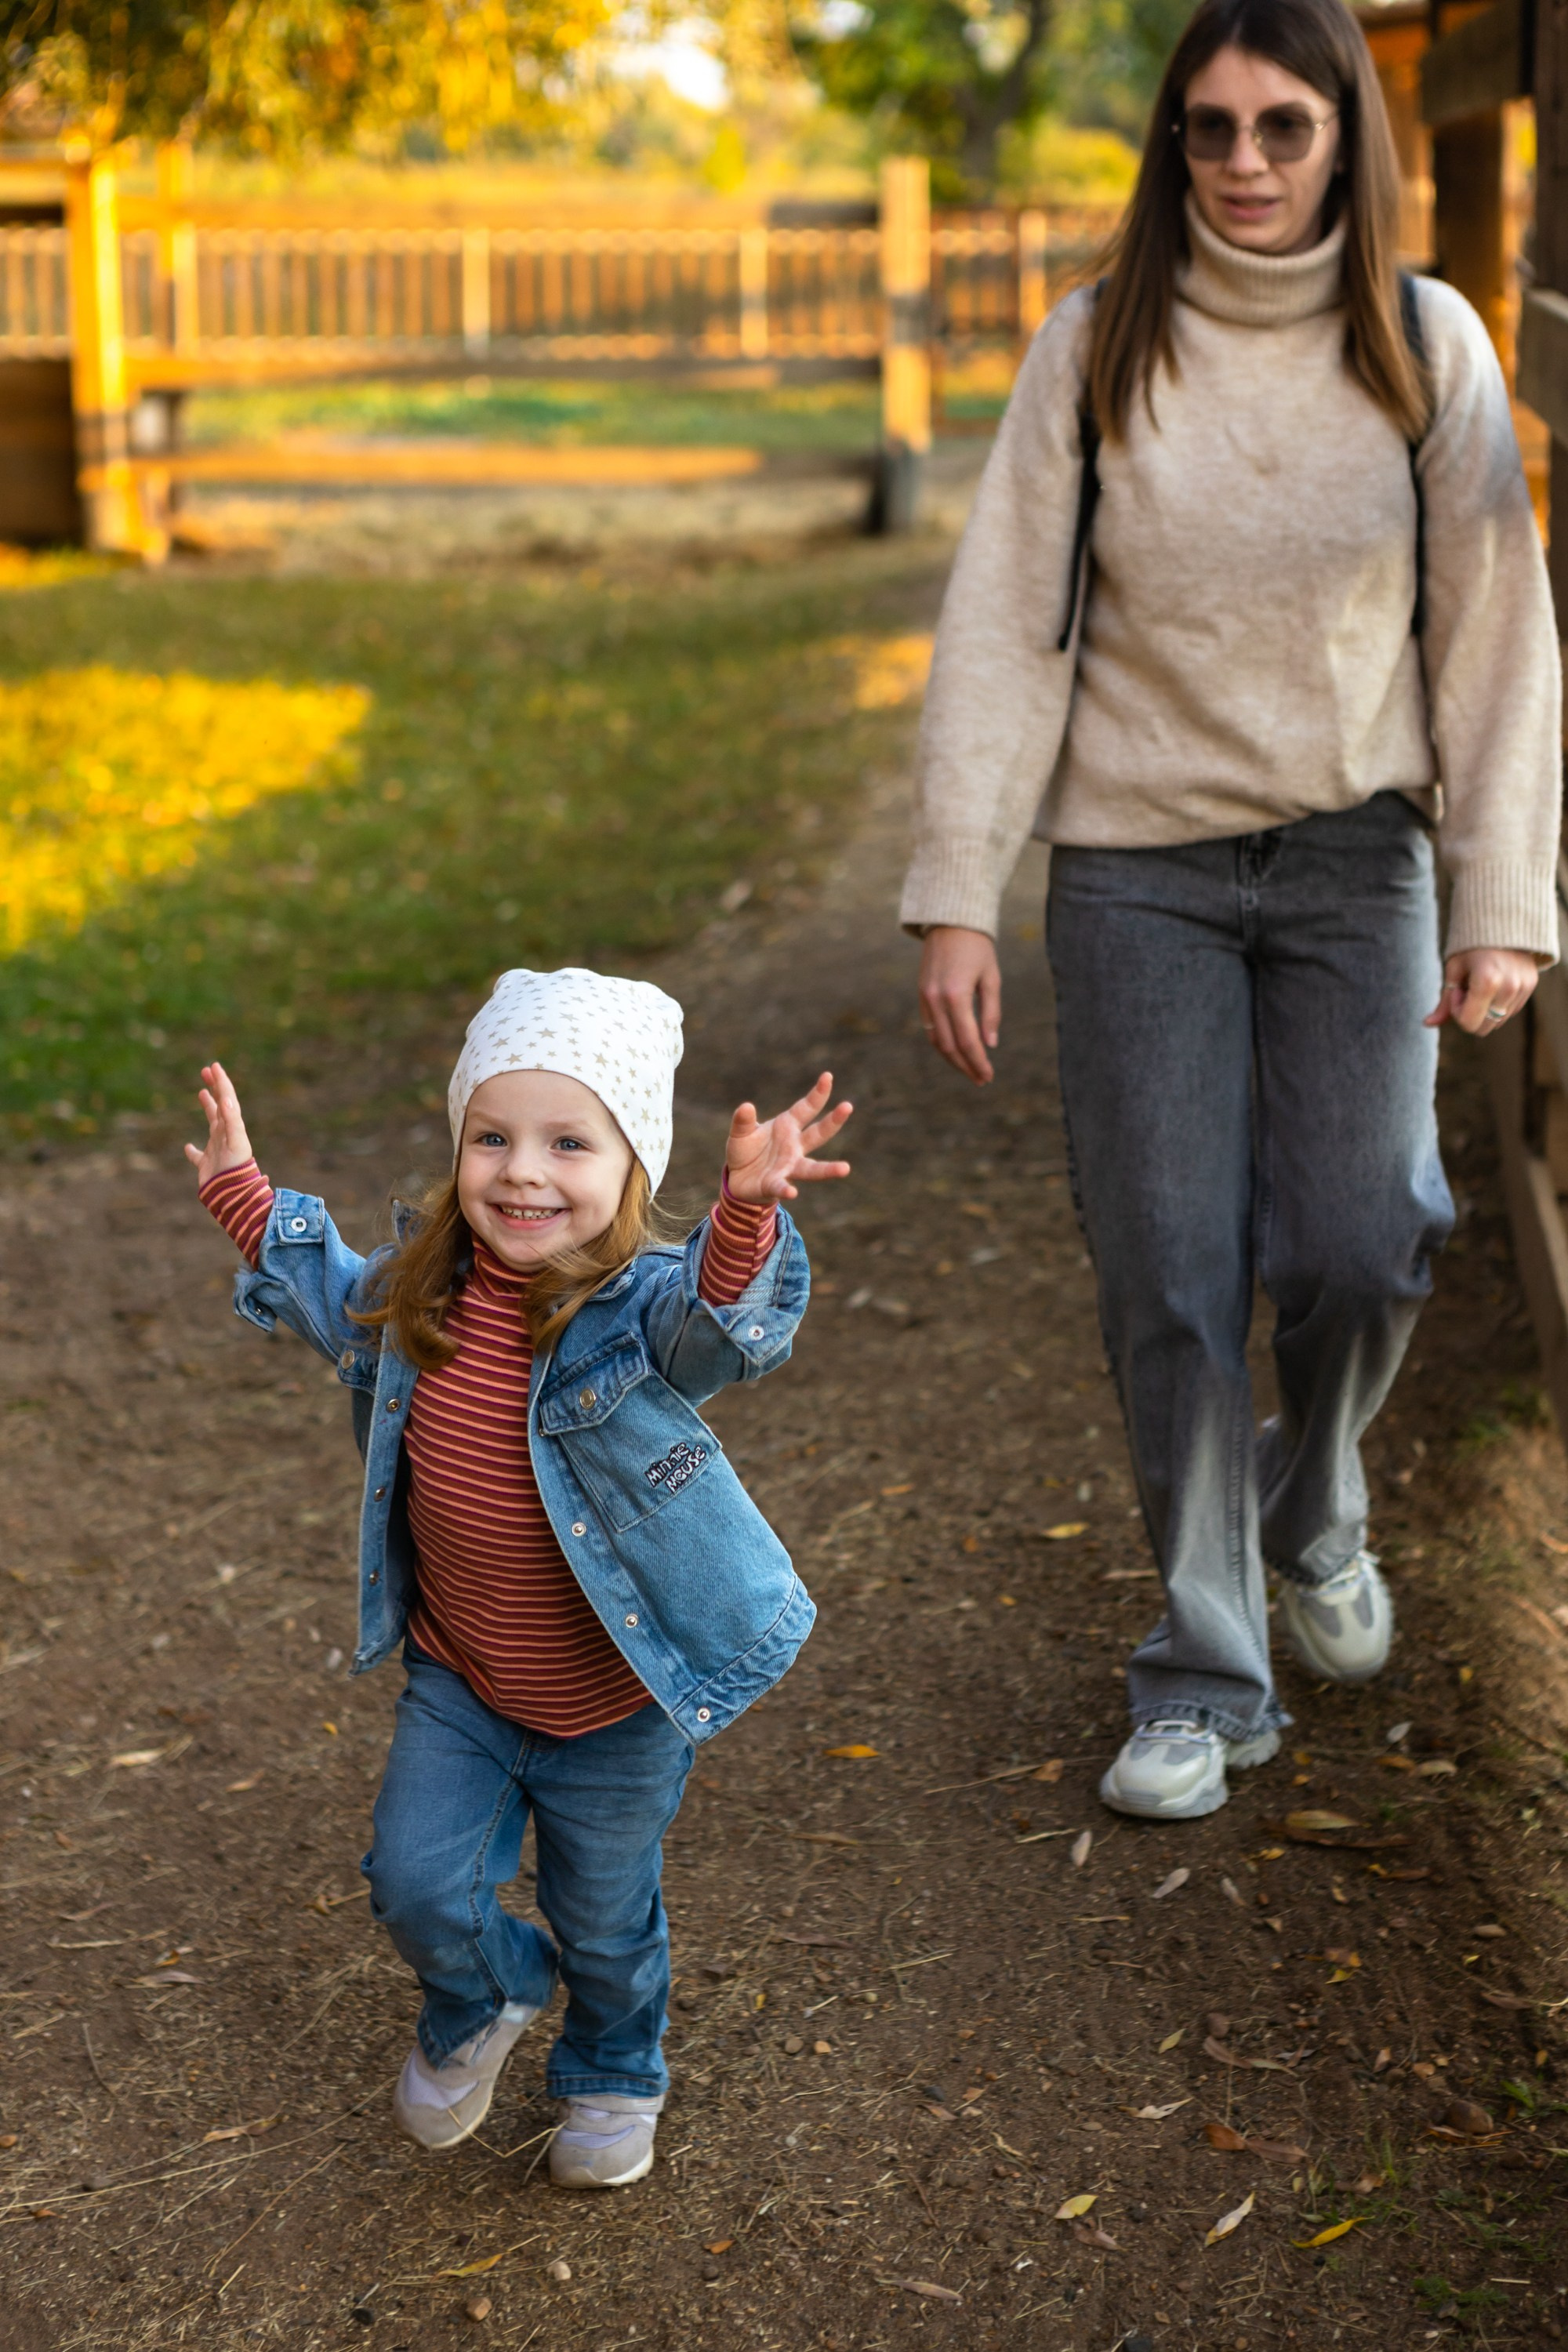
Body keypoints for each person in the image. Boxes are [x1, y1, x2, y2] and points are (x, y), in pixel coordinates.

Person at [902, 0, 1561, 1820]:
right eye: (1208, 129)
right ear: (1168, 144)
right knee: (1169, 1269)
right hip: (1135, 877)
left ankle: (1311, 1498)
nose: (1245, 163)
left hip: (1358, 860)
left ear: (1348, 133)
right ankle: (1203, 1673)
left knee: (1367, 1238)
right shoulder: (1095, 351)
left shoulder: (1428, 347)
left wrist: (1501, 898)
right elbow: (999, 630)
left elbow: (1497, 642)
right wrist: (956, 890)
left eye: (1282, 126)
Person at [187, 967, 851, 2181]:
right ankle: (490, 1994)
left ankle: (612, 2069)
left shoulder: (635, 1308)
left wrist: (746, 1215)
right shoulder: (419, 1296)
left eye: (568, 1142)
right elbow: (322, 1292)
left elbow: (717, 1327)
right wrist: (242, 1190)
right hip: (465, 1683)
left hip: (614, 1706)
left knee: (606, 1918)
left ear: (629, 1167)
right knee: (413, 1877)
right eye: (491, 1136)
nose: (524, 1171)